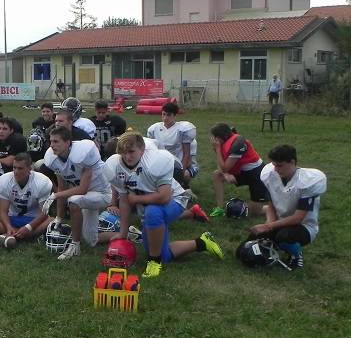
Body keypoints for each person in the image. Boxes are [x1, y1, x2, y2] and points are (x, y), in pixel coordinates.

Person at [103, 132, 224, 278]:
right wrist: (123, 232)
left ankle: (154, 261)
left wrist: (136, 200)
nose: (127, 156)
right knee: (163, 253)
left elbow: (164, 197)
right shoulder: (115, 166)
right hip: (150, 206)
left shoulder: (154, 162)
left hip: (175, 199)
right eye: (123, 152)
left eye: (131, 151)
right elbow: (124, 200)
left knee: (153, 213)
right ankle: (202, 242)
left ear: (142, 149)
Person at [248, 145, 326, 270]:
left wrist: (269, 227)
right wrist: (269, 223)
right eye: (274, 165)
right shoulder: (271, 175)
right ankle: (274, 248)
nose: (276, 169)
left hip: (304, 226)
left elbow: (298, 218)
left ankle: (296, 254)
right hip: (280, 223)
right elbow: (271, 206)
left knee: (284, 236)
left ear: (292, 162)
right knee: (250, 243)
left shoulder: (307, 182)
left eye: (280, 165)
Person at [41, 127, 112, 260]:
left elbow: (82, 189)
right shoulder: (54, 159)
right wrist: (59, 218)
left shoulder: (83, 154)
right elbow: (62, 187)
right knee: (92, 240)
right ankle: (125, 234)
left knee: (74, 201)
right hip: (85, 197)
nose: (52, 145)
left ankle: (75, 245)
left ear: (68, 142)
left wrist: (55, 195)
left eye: (56, 142)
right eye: (51, 141)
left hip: (101, 193)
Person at [0, 152, 53, 246]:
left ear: (30, 169)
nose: (16, 171)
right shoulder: (5, 180)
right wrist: (8, 227)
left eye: (20, 168)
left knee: (51, 221)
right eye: (14, 168)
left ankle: (12, 236)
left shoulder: (42, 182)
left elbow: (44, 213)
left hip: (33, 219)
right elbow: (3, 211)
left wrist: (28, 227)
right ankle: (24, 236)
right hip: (13, 217)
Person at [209, 123, 268, 217]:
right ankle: (219, 208)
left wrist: (217, 149)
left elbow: (225, 167)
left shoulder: (238, 144)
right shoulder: (225, 143)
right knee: (217, 175)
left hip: (257, 175)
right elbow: (221, 167)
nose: (212, 140)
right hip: (244, 173)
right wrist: (225, 174)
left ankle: (275, 208)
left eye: (214, 137)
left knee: (255, 213)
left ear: (219, 137)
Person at [146, 102, 198, 187]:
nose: (165, 118)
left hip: (181, 163)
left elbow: (186, 154)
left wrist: (181, 172)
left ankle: (184, 186)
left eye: (169, 115)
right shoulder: (154, 129)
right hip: (163, 162)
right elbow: (152, 151)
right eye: (163, 114)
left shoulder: (182, 130)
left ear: (174, 116)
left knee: (184, 175)